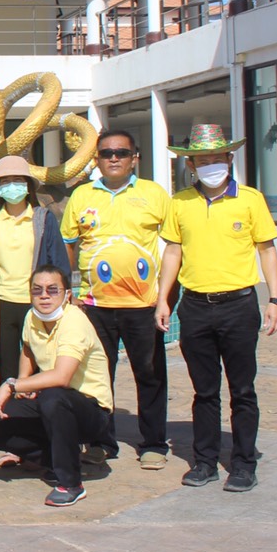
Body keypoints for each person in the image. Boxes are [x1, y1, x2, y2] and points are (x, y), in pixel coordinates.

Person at [154, 124, 277, 494]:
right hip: (195, 306)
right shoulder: (180, 202)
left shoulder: (250, 199)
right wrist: (164, 298)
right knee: (204, 391)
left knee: (242, 389)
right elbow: (173, 253)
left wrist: (275, 299)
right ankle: (205, 461)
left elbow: (267, 250)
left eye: (216, 158)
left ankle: (243, 463)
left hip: (239, 306)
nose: (210, 165)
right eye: (202, 160)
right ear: (191, 165)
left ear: (229, 159)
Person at [60, 128, 171, 468]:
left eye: (121, 153)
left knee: (150, 375)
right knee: (96, 376)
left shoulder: (154, 194)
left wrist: (165, 297)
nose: (113, 158)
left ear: (134, 158)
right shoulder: (81, 196)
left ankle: (153, 443)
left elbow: (174, 245)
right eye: (106, 153)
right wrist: (71, 290)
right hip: (94, 306)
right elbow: (68, 241)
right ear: (96, 159)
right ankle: (100, 441)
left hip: (143, 305)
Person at [0, 264, 114, 507]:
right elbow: (28, 348)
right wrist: (24, 384)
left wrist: (13, 385)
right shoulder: (32, 317)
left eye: (53, 290)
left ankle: (71, 483)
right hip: (53, 404)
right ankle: (55, 458)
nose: (44, 295)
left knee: (54, 396)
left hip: (91, 411)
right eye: (37, 290)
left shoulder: (74, 321)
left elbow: (62, 376)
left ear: (67, 294)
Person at [0, 156, 71, 418]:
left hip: (38, 305)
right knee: (7, 371)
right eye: (5, 182)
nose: (11, 186)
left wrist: (62, 300)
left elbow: (58, 263)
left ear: (28, 186)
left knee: (43, 368)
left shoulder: (43, 218)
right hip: (3, 304)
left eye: (17, 180)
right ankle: (12, 428)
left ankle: (43, 424)